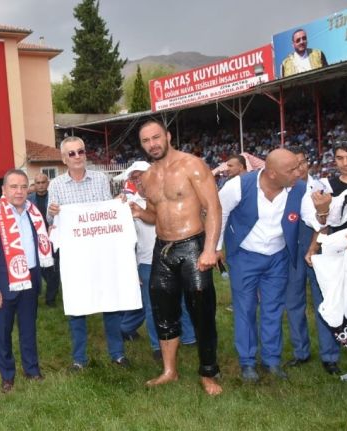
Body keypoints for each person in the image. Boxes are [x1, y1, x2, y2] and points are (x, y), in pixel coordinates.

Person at [133, 119, 222, 396]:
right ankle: (169, 371)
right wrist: (138, 212)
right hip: (163, 249)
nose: (152, 144)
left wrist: (210, 249)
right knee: (163, 312)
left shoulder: (192, 165)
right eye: (146, 141)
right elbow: (155, 215)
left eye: (156, 137)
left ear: (168, 136)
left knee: (202, 313)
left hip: (193, 246)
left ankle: (208, 372)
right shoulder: (148, 177)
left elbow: (213, 207)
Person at [218, 148, 314, 383]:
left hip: (278, 257)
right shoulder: (238, 186)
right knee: (245, 309)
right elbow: (220, 213)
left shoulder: (300, 189)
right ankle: (247, 361)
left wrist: (322, 212)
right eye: (291, 169)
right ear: (272, 173)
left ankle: (271, 360)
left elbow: (313, 219)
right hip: (244, 255)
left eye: (298, 167)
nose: (298, 172)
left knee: (273, 309)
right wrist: (216, 247)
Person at [47, 136, 129, 370]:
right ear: (64, 159)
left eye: (80, 151)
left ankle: (117, 354)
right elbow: (50, 220)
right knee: (76, 306)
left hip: (101, 252)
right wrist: (52, 212)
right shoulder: (56, 185)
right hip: (74, 256)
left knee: (111, 303)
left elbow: (107, 212)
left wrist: (118, 204)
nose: (77, 157)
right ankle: (79, 359)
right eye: (71, 153)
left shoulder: (101, 178)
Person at [0, 169, 51, 393]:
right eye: (13, 187)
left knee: (29, 329)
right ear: (4, 189)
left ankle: (32, 370)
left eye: (23, 187)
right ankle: (7, 376)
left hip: (30, 279)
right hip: (4, 283)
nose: (19, 191)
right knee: (3, 332)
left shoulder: (34, 213)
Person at [118, 161, 196, 360]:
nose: (139, 180)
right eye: (134, 177)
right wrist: (132, 268)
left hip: (175, 257)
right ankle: (157, 345)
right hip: (146, 261)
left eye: (142, 175)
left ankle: (189, 337)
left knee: (182, 299)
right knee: (154, 306)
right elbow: (125, 240)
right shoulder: (128, 204)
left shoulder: (169, 196)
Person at [308, 134, 347, 384]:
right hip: (344, 255)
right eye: (340, 158)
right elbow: (323, 224)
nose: (345, 163)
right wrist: (322, 212)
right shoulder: (328, 185)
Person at [283, 146, 340, 375]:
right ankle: (301, 352)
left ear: (308, 162)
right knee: (293, 302)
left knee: (323, 303)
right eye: (293, 165)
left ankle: (330, 356)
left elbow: (327, 222)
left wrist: (314, 246)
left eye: (302, 162)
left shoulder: (322, 187)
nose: (299, 168)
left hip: (319, 248)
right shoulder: (284, 189)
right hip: (291, 252)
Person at [28, 173, 61, 307]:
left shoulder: (55, 198)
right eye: (38, 183)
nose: (41, 185)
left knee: (54, 270)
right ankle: (37, 294)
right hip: (35, 240)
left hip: (53, 238)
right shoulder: (28, 201)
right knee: (39, 269)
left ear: (48, 183)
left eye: (43, 182)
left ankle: (50, 299)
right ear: (34, 184)